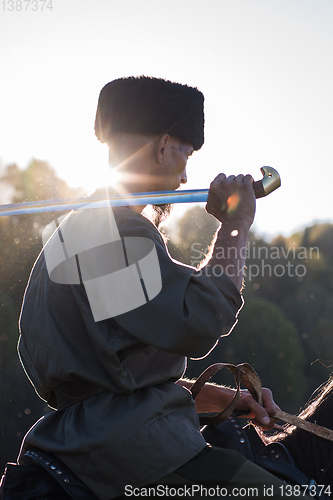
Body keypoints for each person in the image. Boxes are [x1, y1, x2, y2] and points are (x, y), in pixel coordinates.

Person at [16, 76, 293, 499]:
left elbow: (118, 379)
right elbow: (202, 320)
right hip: (128, 449)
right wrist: (236, 224)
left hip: (104, 435)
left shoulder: (84, 231)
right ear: (164, 146)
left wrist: (227, 399)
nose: (185, 177)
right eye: (186, 153)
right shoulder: (111, 234)